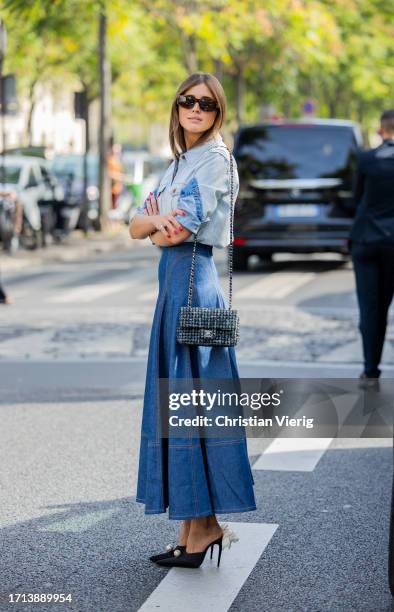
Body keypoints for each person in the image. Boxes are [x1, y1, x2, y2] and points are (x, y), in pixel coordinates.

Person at [129, 71, 256, 568]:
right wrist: (153, 223)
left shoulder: (217, 162)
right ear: (177, 107)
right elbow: (135, 223)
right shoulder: (180, 162)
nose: (196, 109)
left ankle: (204, 526)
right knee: (182, 401)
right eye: (188, 101)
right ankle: (194, 525)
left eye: (207, 103)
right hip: (174, 287)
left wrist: (158, 225)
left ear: (219, 112)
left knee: (191, 399)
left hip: (193, 286)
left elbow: (173, 232)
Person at [350, 109, 394, 389]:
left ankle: (370, 369)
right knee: (383, 304)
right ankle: (376, 365)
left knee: (368, 306)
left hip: (365, 241)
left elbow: (356, 199)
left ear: (380, 130)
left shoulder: (366, 159)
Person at [107, 139, 124, 209]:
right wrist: (119, 176)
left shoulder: (118, 160)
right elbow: (109, 173)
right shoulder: (110, 160)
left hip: (118, 188)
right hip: (112, 188)